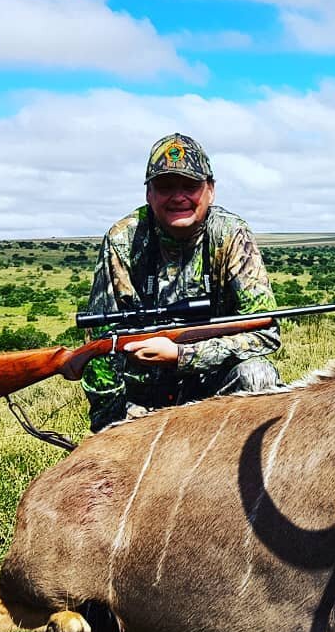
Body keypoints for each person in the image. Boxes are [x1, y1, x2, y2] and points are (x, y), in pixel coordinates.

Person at [82, 133, 281, 431]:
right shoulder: (122, 239)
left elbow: (266, 333)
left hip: (213, 391)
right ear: (149, 193)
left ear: (210, 191)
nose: (178, 196)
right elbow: (99, 344)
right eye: (165, 186)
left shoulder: (231, 234)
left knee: (257, 376)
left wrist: (180, 355)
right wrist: (108, 426)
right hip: (142, 403)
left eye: (191, 185)